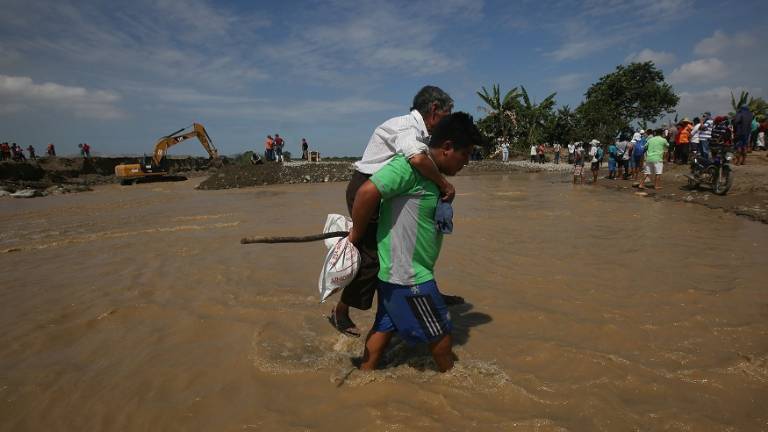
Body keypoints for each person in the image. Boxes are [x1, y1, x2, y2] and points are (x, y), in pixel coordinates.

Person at [347, 112, 481, 372]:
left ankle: (363, 380)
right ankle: (453, 385)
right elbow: (366, 192)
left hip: (396, 273)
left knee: (385, 327)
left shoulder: (431, 175)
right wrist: (355, 236)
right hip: (410, 277)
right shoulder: (409, 167)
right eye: (465, 155)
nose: (466, 162)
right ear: (447, 148)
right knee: (441, 334)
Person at [329, 85, 462, 338]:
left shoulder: (424, 133)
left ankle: (424, 291)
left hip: (389, 193)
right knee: (370, 258)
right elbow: (417, 159)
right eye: (447, 115)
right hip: (367, 192)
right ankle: (341, 311)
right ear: (434, 110)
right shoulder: (407, 127)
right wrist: (445, 185)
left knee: (410, 244)